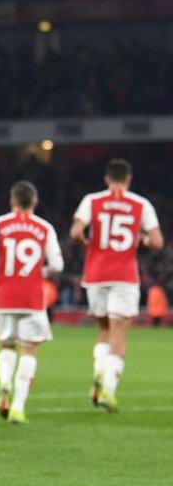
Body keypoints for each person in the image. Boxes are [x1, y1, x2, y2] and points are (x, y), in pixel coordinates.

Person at [70, 159, 163, 412]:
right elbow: (157, 242)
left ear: (106, 178)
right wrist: (140, 239)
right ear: (129, 179)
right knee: (119, 334)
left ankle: (99, 373)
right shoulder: (140, 204)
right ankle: (107, 390)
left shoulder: (92, 200)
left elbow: (75, 232)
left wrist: (90, 246)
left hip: (96, 273)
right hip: (124, 275)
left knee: (103, 331)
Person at [0, 181, 63, 425]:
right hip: (32, 297)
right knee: (30, 349)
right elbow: (58, 265)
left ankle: (5, 382)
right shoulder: (45, 227)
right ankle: (18, 407)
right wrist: (40, 274)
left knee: (7, 346)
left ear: (12, 201)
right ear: (35, 202)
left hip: (4, 295)